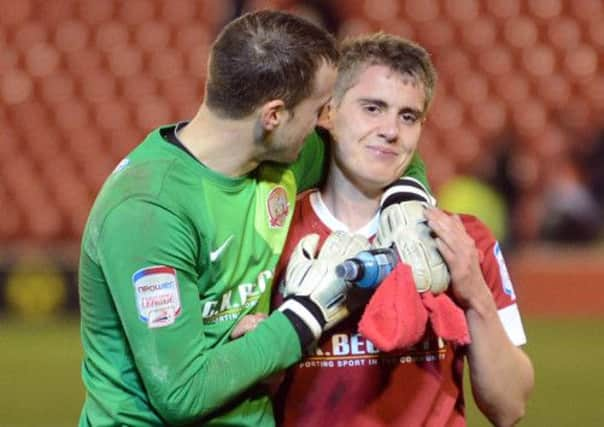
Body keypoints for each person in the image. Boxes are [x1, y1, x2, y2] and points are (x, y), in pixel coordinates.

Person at [77, 10, 430, 427]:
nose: (324, 125)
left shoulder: (280, 159)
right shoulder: (147, 210)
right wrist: (311, 312)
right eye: (318, 110)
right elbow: (182, 392)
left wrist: (406, 205)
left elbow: (384, 153)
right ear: (274, 116)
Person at [270, 33, 534, 426]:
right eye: (373, 108)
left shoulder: (463, 239)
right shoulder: (277, 235)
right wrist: (297, 317)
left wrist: (474, 291)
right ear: (329, 114)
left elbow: (509, 407)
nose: (391, 130)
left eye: (407, 116)